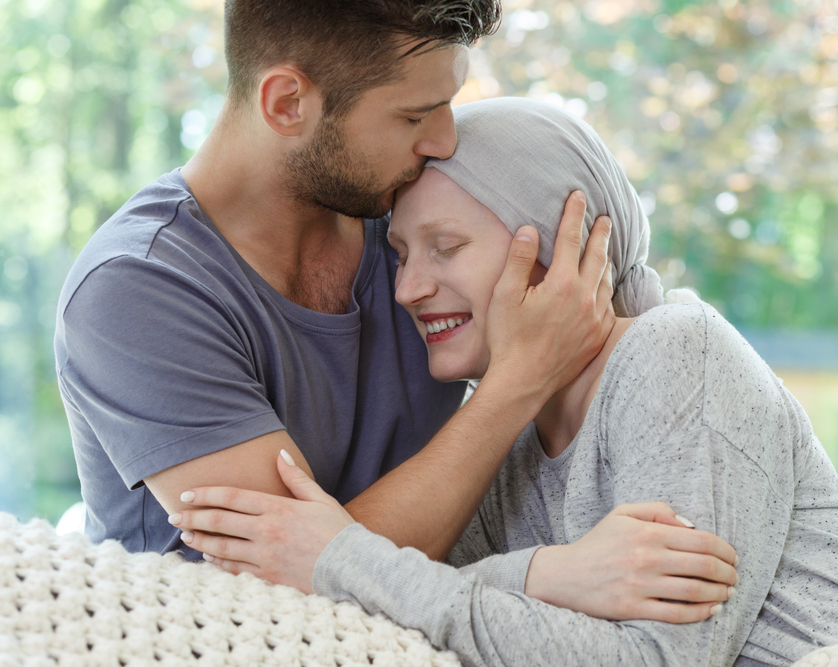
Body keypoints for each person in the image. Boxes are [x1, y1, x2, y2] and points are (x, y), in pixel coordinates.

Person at [54, 0, 756, 625]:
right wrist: (519, 380)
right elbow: (299, 584)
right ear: (287, 103)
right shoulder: (139, 291)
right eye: (414, 115)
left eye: (447, 105)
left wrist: (753, 513)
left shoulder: (408, 237)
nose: (444, 141)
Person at [173, 98, 838, 665]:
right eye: (403, 254)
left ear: (572, 244)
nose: (409, 289)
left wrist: (342, 556)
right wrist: (551, 574)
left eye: (446, 246)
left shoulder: (676, 353)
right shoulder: (494, 449)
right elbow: (425, 609)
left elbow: (661, 656)